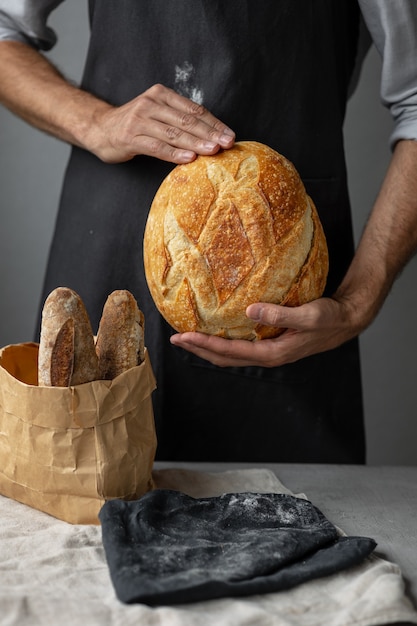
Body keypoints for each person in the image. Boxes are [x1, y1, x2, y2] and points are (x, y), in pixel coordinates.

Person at [1, 1, 417, 463]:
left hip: (280, 293)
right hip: (107, 251)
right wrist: (94, 121)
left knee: (292, 527)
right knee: (80, 510)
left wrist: (358, 301)